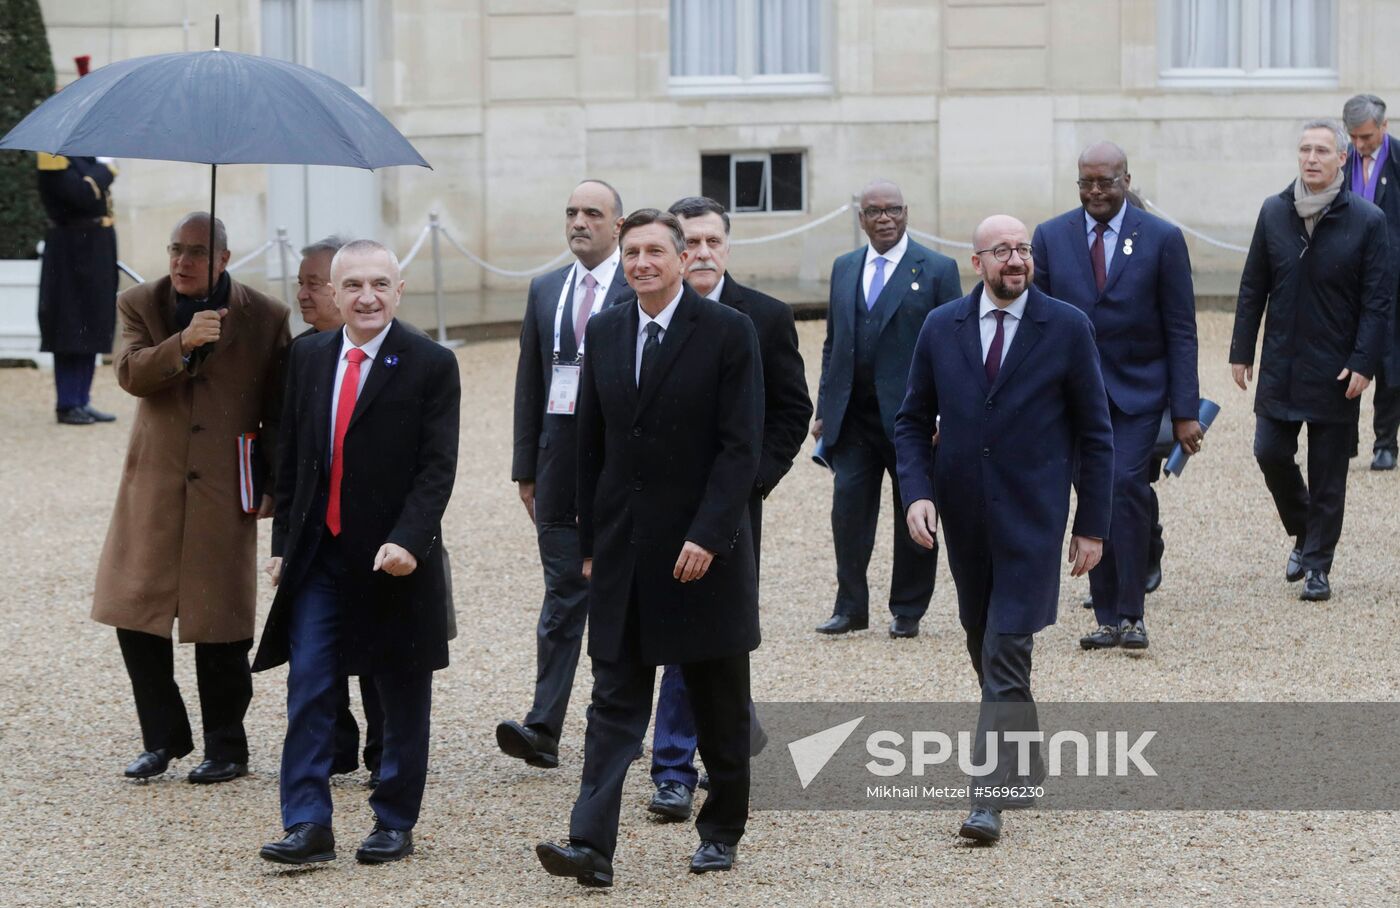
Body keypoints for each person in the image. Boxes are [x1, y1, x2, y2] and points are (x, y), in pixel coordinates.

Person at [535, 209, 763, 886]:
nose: (641, 263)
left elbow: (739, 446)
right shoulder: (604, 331)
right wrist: (583, 537)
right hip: (624, 555)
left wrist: (710, 534)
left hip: (701, 557)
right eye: (631, 252)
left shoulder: (728, 332)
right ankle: (590, 846)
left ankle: (721, 829)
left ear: (681, 257)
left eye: (654, 251)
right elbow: (589, 445)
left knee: (719, 705)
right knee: (612, 705)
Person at [894, 214, 1113, 845]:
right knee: (980, 642)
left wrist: (1091, 525)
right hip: (963, 519)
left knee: (1008, 647)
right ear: (977, 261)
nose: (1014, 260)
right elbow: (912, 423)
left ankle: (987, 798)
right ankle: (1026, 755)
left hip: (1034, 520)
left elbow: (1097, 435)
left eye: (1022, 249)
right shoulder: (942, 327)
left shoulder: (1067, 327)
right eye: (1001, 251)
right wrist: (917, 495)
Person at [254, 240, 460, 866]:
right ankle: (307, 824)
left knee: (400, 691)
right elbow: (292, 460)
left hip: (394, 557)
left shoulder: (430, 363)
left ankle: (394, 819)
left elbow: (437, 468)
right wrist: (283, 545)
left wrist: (409, 540)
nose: (366, 297)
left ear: (399, 291)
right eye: (353, 287)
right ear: (333, 294)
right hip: (319, 556)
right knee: (310, 685)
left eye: (379, 285)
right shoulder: (310, 357)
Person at [90, 212, 289, 783]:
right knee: (135, 614)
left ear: (223, 259)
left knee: (221, 622)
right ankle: (164, 739)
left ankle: (227, 747)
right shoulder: (140, 303)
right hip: (152, 484)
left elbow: (278, 407)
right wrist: (185, 341)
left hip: (227, 484)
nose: (181, 261)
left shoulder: (267, 316)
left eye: (197, 252)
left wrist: (275, 480)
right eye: (176, 248)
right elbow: (130, 374)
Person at [646, 196, 811, 821]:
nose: (704, 253)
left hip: (728, 513)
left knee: (708, 633)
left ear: (727, 247)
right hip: (655, 509)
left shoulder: (762, 317)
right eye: (692, 242)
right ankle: (715, 738)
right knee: (672, 632)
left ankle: (675, 768)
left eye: (715, 241)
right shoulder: (638, 314)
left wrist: (750, 486)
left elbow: (792, 410)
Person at [1031, 142, 1201, 652]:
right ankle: (1105, 617)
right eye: (1087, 182)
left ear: (1126, 179)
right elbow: (1036, 320)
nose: (1097, 191)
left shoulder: (1161, 238)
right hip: (1072, 397)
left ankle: (1131, 615)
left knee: (1124, 487)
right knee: (1091, 496)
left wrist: (1186, 411)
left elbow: (1181, 329)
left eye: (1106, 181)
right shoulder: (1051, 236)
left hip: (1138, 393)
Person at [499, 179, 633, 769]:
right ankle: (543, 727)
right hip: (556, 471)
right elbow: (531, 378)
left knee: (626, 604)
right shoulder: (545, 288)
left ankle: (623, 723)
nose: (580, 222)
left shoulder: (642, 284)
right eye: (573, 212)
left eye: (593, 213)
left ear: (618, 226)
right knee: (563, 594)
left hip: (618, 474)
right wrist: (525, 468)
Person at [1231, 119, 1393, 602]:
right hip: (1282, 360)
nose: (1312, 158)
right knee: (1269, 453)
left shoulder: (1367, 220)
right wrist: (1241, 350)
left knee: (1328, 473)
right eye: (1305, 149)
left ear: (1342, 158)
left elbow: (1378, 300)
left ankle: (1319, 564)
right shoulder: (1274, 211)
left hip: (1336, 367)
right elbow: (1252, 284)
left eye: (1323, 150)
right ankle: (1304, 530)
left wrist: (1365, 362)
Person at [812, 179, 962, 638]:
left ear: (906, 212)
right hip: (853, 418)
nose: (884, 219)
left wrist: (945, 413)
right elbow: (834, 343)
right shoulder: (844, 267)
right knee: (848, 512)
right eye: (874, 211)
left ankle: (908, 610)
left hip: (913, 420)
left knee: (914, 513)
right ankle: (850, 606)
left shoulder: (937, 269)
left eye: (892, 210)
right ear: (861, 218)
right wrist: (824, 407)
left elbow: (955, 347)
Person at [291, 235, 384, 784]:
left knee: (378, 658)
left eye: (312, 283)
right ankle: (323, 768)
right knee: (311, 665)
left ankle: (384, 753)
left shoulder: (415, 357)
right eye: (301, 283)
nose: (304, 294)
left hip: (380, 542)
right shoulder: (304, 355)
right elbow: (291, 448)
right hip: (317, 537)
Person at [36, 57, 119, 426]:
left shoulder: (85, 151)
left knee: (92, 323)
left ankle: (82, 399)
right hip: (70, 248)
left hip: (96, 245)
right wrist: (105, 169)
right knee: (70, 325)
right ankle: (67, 402)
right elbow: (77, 195)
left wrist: (99, 167)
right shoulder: (51, 152)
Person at [1341, 94, 1400, 472]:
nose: (1360, 145)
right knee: (1344, 359)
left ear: (1384, 127)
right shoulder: (1339, 159)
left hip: (1392, 278)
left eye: (1366, 137)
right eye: (1354, 137)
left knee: (1388, 361)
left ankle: (1385, 442)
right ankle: (1343, 442)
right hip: (1347, 278)